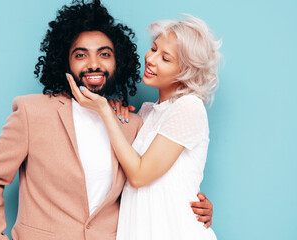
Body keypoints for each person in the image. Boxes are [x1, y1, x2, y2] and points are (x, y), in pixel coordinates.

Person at [0, 1, 214, 239]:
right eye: (80, 55)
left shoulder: (130, 123)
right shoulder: (32, 112)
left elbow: (152, 179)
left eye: (104, 54)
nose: (94, 64)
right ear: (64, 60)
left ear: (117, 61)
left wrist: (192, 204)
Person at [67, 14, 221, 239]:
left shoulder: (189, 107)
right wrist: (113, 112)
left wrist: (104, 111)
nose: (151, 59)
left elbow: (139, 176)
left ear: (185, 71)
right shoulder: (147, 112)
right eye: (154, 48)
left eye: (165, 58)